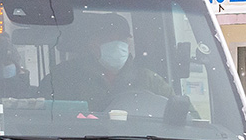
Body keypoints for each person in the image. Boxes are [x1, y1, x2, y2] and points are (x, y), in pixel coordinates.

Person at [40, 13, 173, 112]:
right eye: (108, 39)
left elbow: (180, 115)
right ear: (92, 44)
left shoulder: (149, 80)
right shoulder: (62, 78)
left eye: (122, 39)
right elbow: (44, 118)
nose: (117, 45)